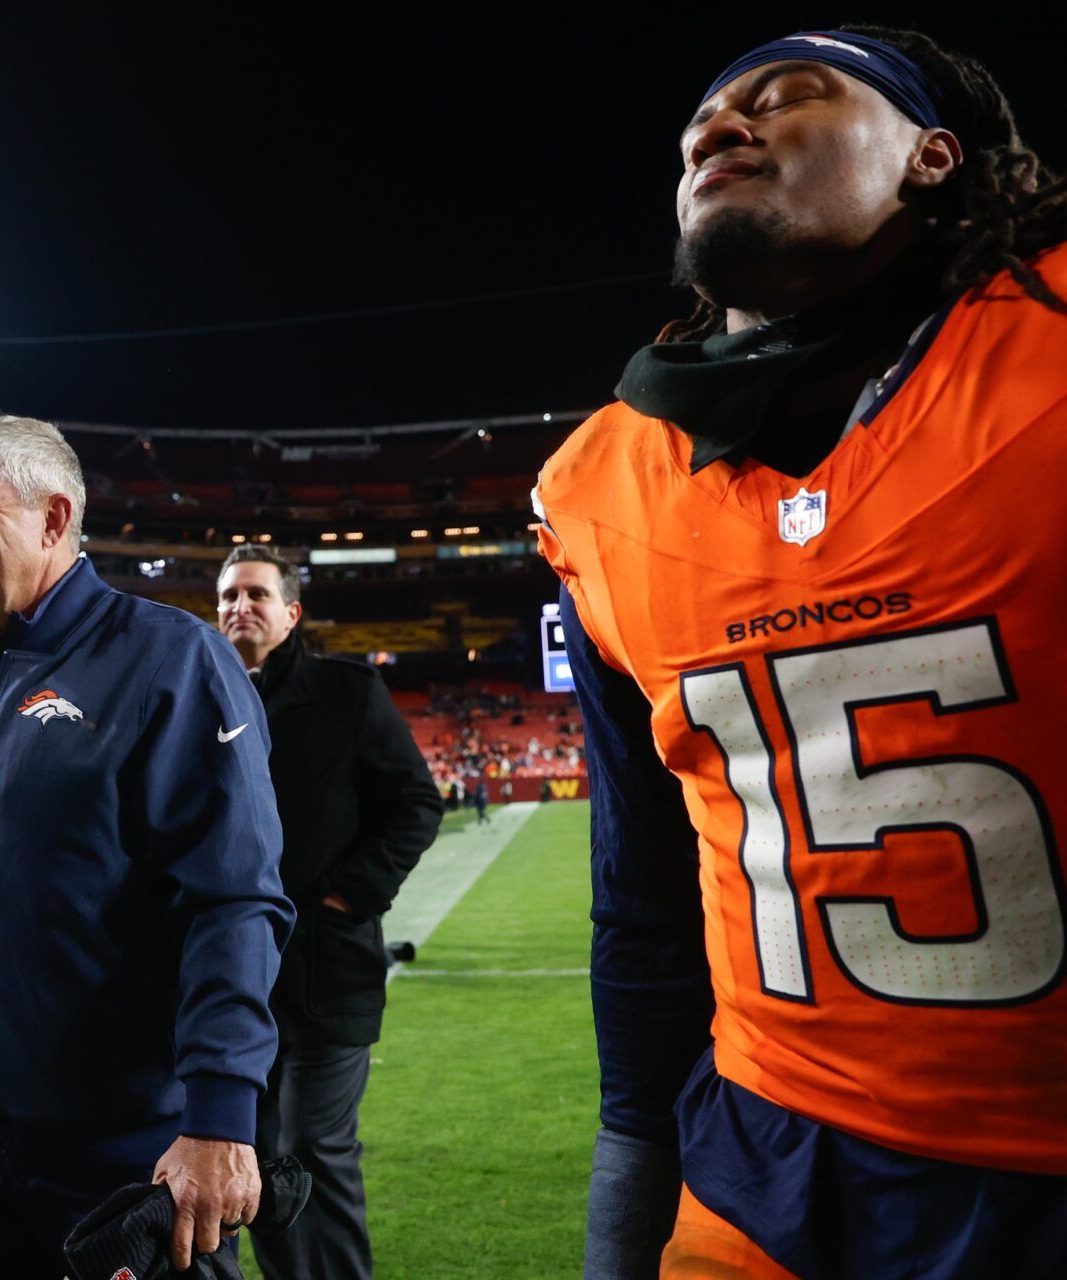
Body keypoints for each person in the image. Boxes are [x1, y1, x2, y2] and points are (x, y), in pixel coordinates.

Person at [534, 27, 1067, 1278]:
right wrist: (633, 1136)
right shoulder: (603, 483)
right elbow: (648, 892)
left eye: (787, 97)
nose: (716, 128)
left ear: (936, 154)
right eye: (699, 125)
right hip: (767, 1166)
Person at [0, 416, 292, 1278]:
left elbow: (231, 901)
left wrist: (219, 1117)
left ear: (53, 516)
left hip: (127, 1147)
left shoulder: (173, 660)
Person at [213, 545, 442, 1280]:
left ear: (292, 612)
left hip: (327, 968)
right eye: (226, 596)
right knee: (253, 1157)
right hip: (233, 979)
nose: (238, 607)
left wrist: (347, 896)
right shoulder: (200, 694)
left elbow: (414, 803)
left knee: (316, 1149)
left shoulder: (345, 691)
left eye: (255, 594)